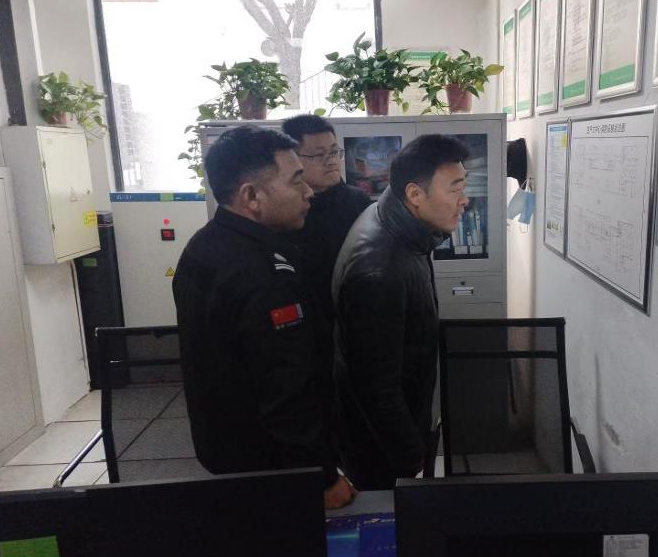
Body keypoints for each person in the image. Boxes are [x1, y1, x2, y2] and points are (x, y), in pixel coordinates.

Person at [172, 124, 355, 509]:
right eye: (296, 181)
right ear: (251, 196)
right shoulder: (264, 276)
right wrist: (322, 477)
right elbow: (286, 390)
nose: (308, 192)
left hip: (225, 448)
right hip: (276, 467)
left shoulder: (204, 245)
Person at [332, 134, 470, 490]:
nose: (464, 200)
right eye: (455, 189)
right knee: (388, 514)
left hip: (395, 423)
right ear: (414, 194)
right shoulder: (380, 269)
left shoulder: (399, 223)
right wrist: (410, 453)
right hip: (378, 446)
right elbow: (376, 386)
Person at [281, 114, 371, 331]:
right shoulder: (285, 209)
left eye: (334, 151)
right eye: (318, 154)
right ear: (293, 158)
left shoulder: (358, 201)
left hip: (356, 315)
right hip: (304, 321)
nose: (331, 160)